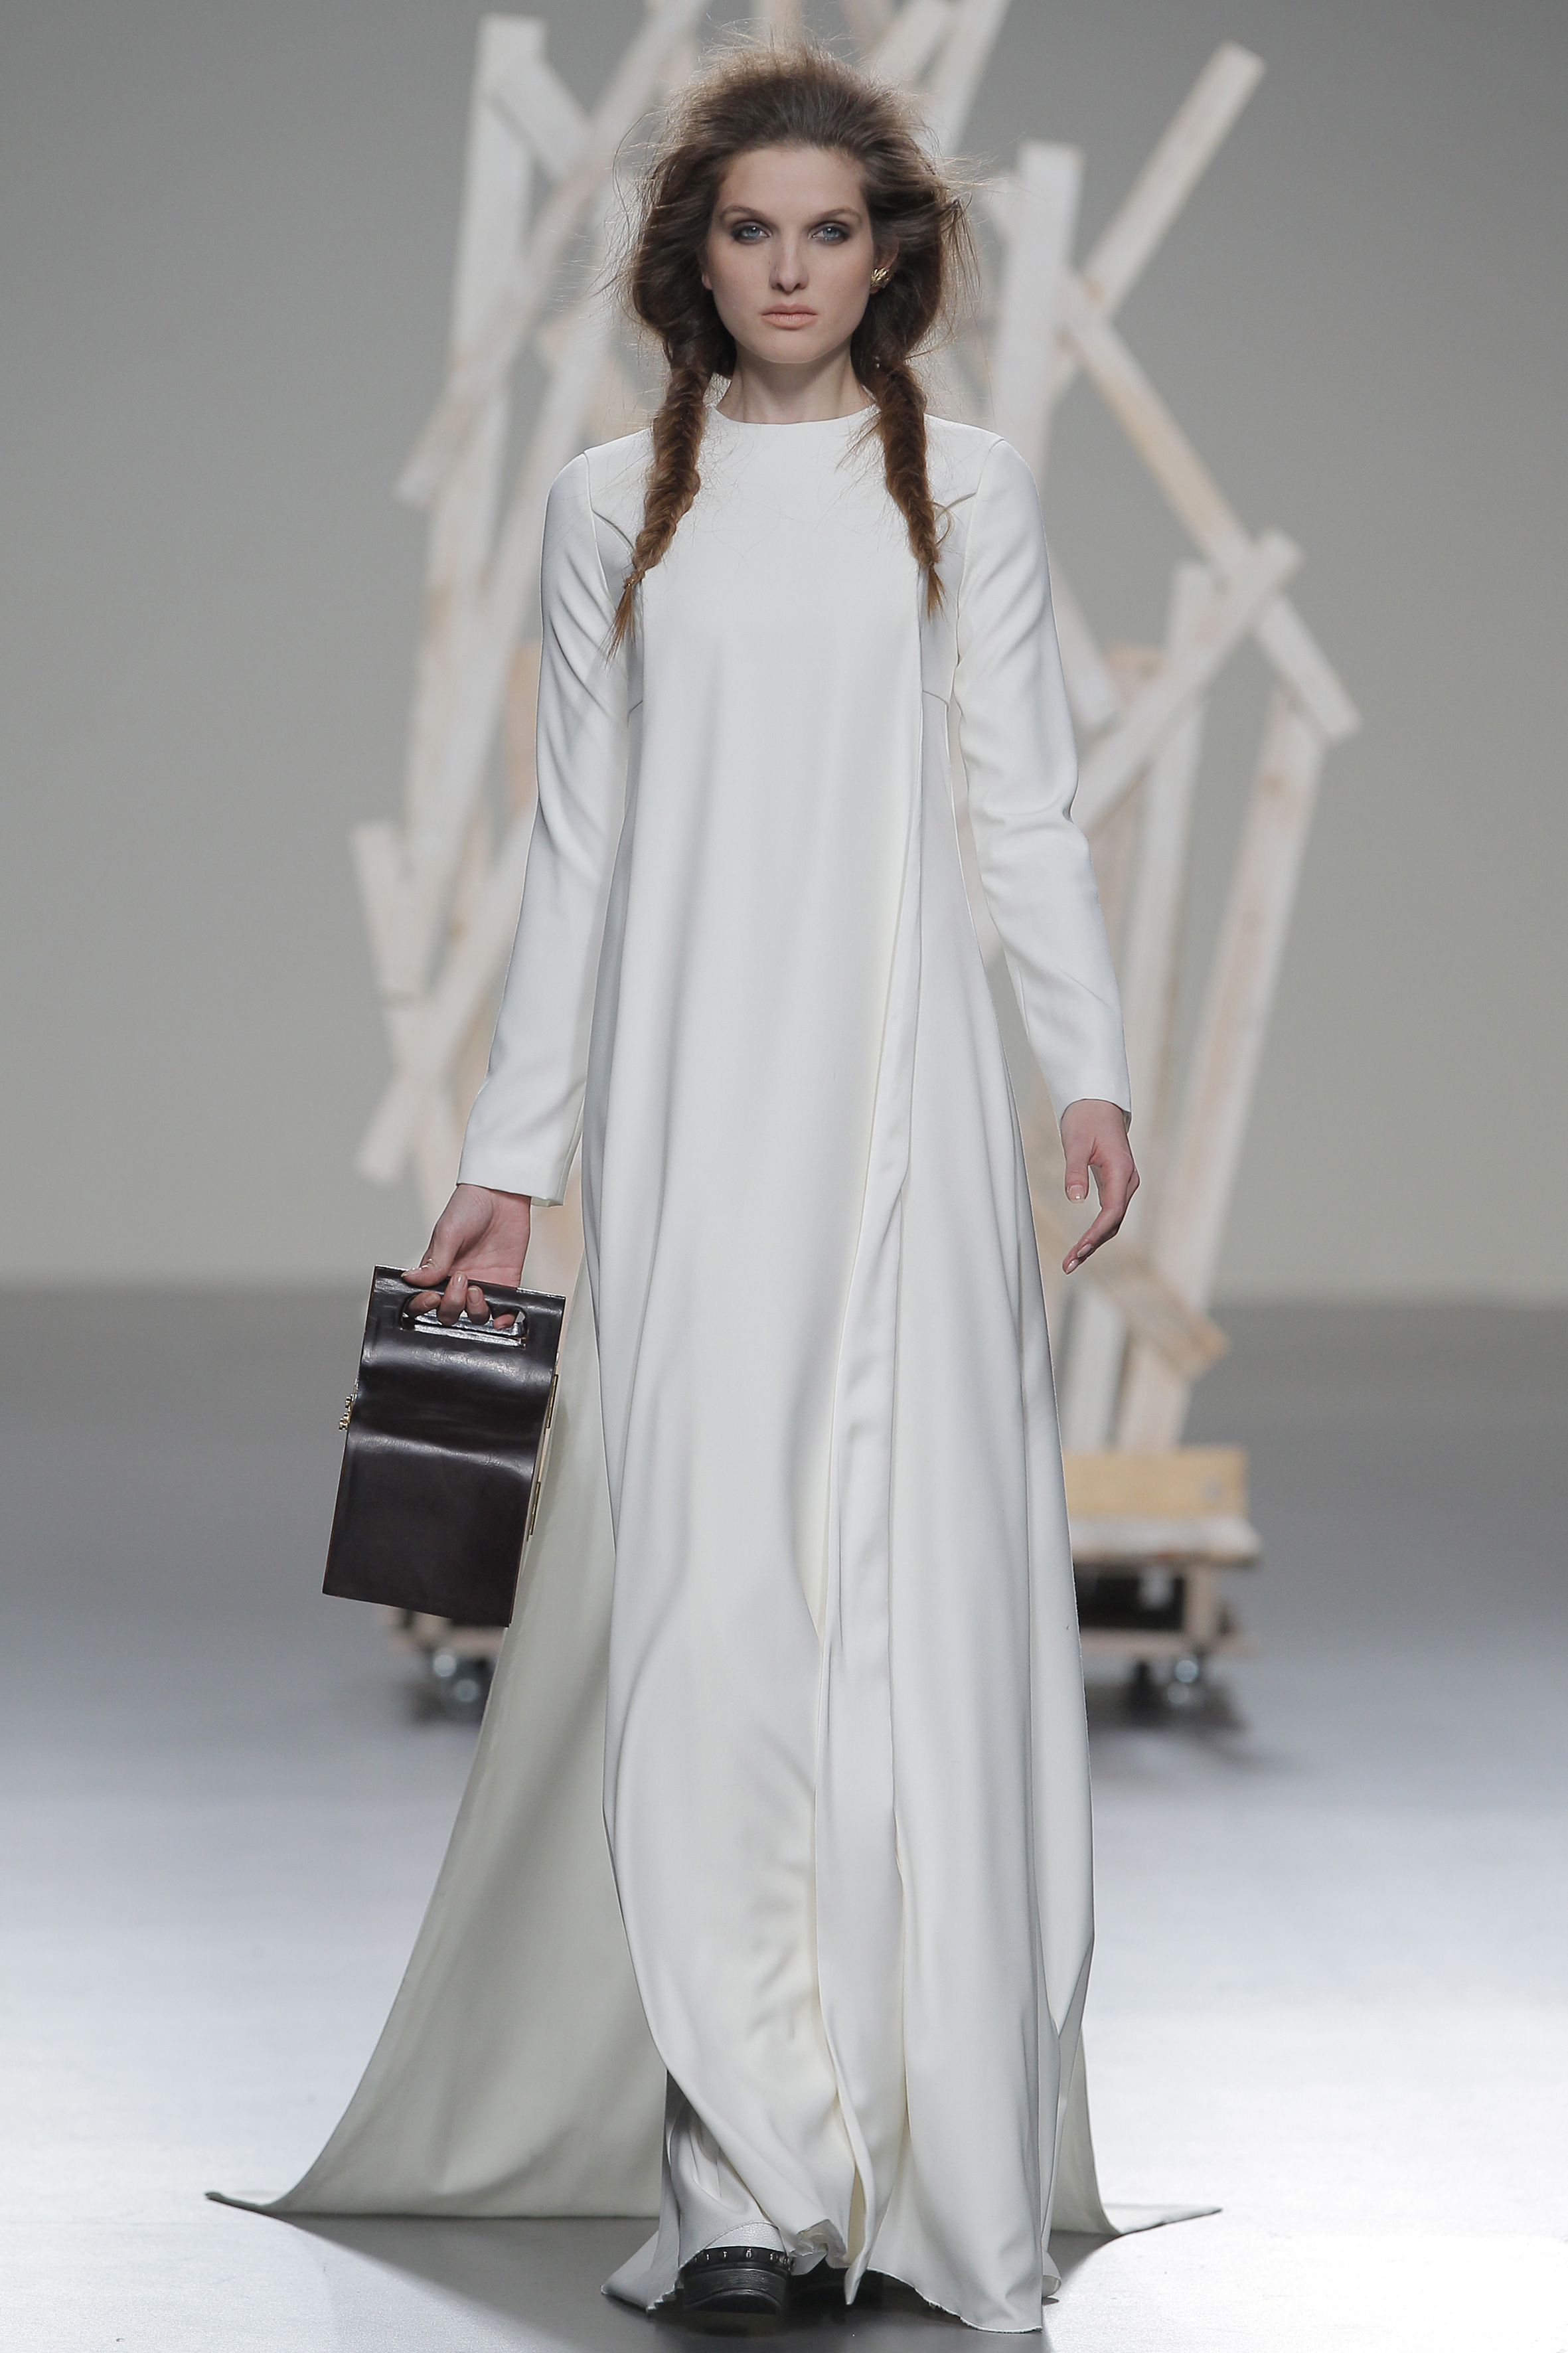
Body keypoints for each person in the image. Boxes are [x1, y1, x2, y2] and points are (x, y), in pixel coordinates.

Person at [271, 41, 1139, 2334]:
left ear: (887, 258)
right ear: (694, 257)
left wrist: (1088, 1071)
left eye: (827, 231)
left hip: (906, 1111)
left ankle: (920, 2161)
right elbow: (576, 852)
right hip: (685, 1118)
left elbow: (1022, 805)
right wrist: (511, 1163)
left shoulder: (966, 491)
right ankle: (746, 2179)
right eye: (751, 230)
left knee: (914, 1620)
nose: (788, 268)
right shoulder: (605, 510)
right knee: (709, 1622)